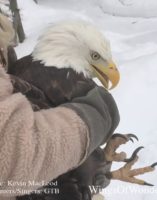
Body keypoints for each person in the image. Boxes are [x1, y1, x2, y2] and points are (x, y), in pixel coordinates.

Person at [0, 15, 119, 200]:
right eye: (95, 56)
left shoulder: (24, 69)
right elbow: (16, 148)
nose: (111, 70)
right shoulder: (25, 81)